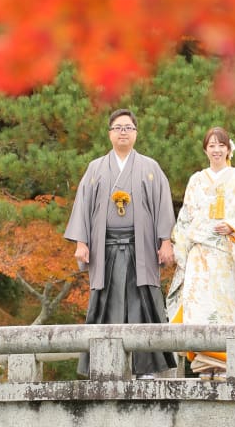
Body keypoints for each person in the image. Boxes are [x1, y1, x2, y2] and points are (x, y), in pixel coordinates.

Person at [64, 108, 177, 378]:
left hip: (142, 248)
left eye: (128, 127)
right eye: (118, 128)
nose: (123, 132)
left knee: (143, 303)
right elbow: (83, 207)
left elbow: (163, 207)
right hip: (106, 249)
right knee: (106, 304)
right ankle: (103, 366)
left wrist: (166, 242)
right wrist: (81, 242)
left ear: (136, 133)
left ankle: (146, 369)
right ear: (109, 134)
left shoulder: (150, 167)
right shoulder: (96, 168)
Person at [166, 126, 235, 378]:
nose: (216, 149)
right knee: (199, 308)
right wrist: (180, 250)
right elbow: (185, 217)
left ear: (229, 149)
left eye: (221, 145)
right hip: (200, 256)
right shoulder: (196, 180)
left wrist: (232, 225)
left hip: (227, 256)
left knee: (226, 308)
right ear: (205, 150)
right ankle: (203, 365)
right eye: (211, 145)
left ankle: (226, 365)